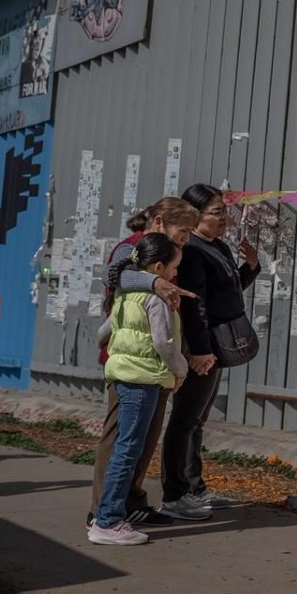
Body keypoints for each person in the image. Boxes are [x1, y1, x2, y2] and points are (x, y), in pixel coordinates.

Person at [87, 198, 201, 528]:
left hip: (154, 362)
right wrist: (154, 282)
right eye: (183, 231)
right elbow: (117, 277)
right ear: (160, 222)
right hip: (130, 360)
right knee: (120, 438)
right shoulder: (133, 249)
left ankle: (129, 501)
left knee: (143, 439)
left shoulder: (167, 254)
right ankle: (103, 511)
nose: (187, 239)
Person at [160, 184, 259, 519]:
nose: (224, 219)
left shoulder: (217, 248)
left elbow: (228, 292)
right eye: (217, 212)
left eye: (223, 212)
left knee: (197, 420)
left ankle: (194, 485)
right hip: (201, 346)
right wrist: (200, 351)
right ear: (194, 215)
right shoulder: (193, 254)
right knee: (185, 419)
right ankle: (175, 494)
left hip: (215, 344)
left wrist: (252, 266)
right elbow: (196, 307)